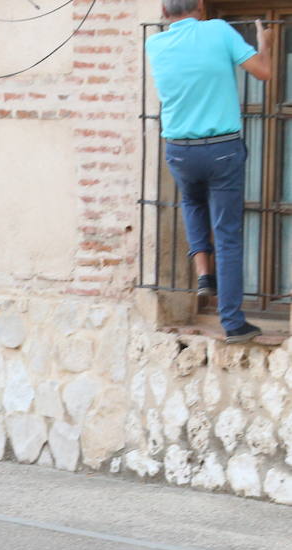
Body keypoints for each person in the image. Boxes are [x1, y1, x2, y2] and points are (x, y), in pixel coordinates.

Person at [146, 0, 269, 343]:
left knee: (192, 203)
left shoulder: (154, 43)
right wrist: (265, 43)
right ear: (200, 5)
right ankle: (233, 322)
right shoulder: (218, 31)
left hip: (178, 150)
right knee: (227, 234)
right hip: (221, 148)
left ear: (163, 10)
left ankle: (204, 275)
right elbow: (263, 72)